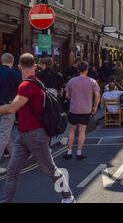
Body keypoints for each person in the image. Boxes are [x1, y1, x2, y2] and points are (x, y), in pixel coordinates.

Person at [0, 53, 74, 203]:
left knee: (50, 170)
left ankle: (68, 197)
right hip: (23, 135)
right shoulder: (36, 82)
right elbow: (14, 105)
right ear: (34, 66)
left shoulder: (26, 85)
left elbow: (11, 108)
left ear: (19, 66)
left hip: (36, 135)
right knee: (12, 171)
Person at [64, 61, 101, 160]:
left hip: (73, 109)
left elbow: (67, 95)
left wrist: (73, 98)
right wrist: (95, 106)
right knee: (82, 132)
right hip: (86, 110)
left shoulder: (71, 81)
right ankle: (79, 153)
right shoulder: (92, 81)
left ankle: (69, 152)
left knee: (71, 131)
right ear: (87, 70)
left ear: (78, 69)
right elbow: (97, 95)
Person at [0, 53, 21, 174]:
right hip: (8, 107)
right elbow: (21, 91)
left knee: (5, 134)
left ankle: (15, 159)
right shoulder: (14, 74)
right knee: (4, 135)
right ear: (12, 62)